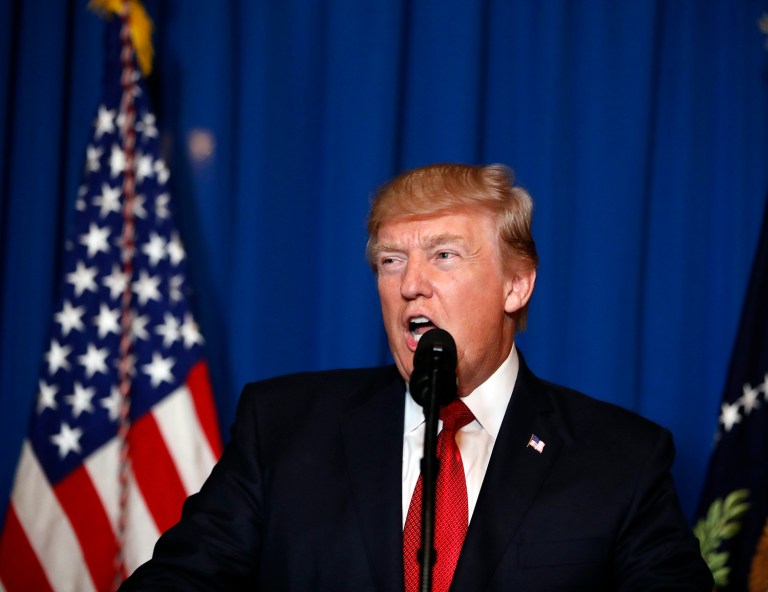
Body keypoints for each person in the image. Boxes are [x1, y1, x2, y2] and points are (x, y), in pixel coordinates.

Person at [120, 163, 713, 591]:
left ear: (516, 284)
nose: (409, 284)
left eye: (444, 255)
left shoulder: (622, 459)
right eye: (391, 260)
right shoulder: (282, 427)